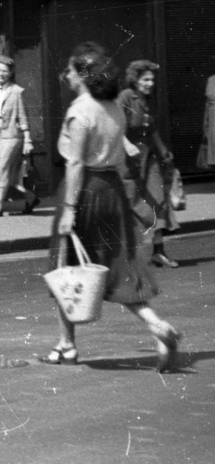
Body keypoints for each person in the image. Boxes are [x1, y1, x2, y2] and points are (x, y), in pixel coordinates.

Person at [41, 43, 180, 372]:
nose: (69, 77)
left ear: (84, 76)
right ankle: (157, 326)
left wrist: (71, 209)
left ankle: (67, 345)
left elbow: (75, 163)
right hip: (112, 191)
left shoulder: (80, 112)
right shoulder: (115, 109)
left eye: (73, 72)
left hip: (84, 191)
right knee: (119, 266)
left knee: (67, 267)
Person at [120, 60, 180, 268]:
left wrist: (164, 152)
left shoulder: (149, 100)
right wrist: (126, 145)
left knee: (158, 199)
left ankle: (159, 251)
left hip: (149, 158)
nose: (150, 83)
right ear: (135, 80)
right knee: (133, 204)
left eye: (152, 79)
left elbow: (152, 130)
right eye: (146, 79)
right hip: (128, 160)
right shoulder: (127, 97)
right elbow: (114, 125)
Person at [0, 56, 34, 216]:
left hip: (13, 134)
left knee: (3, 166)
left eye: (5, 71)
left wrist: (27, 139)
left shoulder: (17, 92)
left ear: (11, 72)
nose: (1, 74)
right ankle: (31, 198)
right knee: (11, 175)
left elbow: (23, 117)